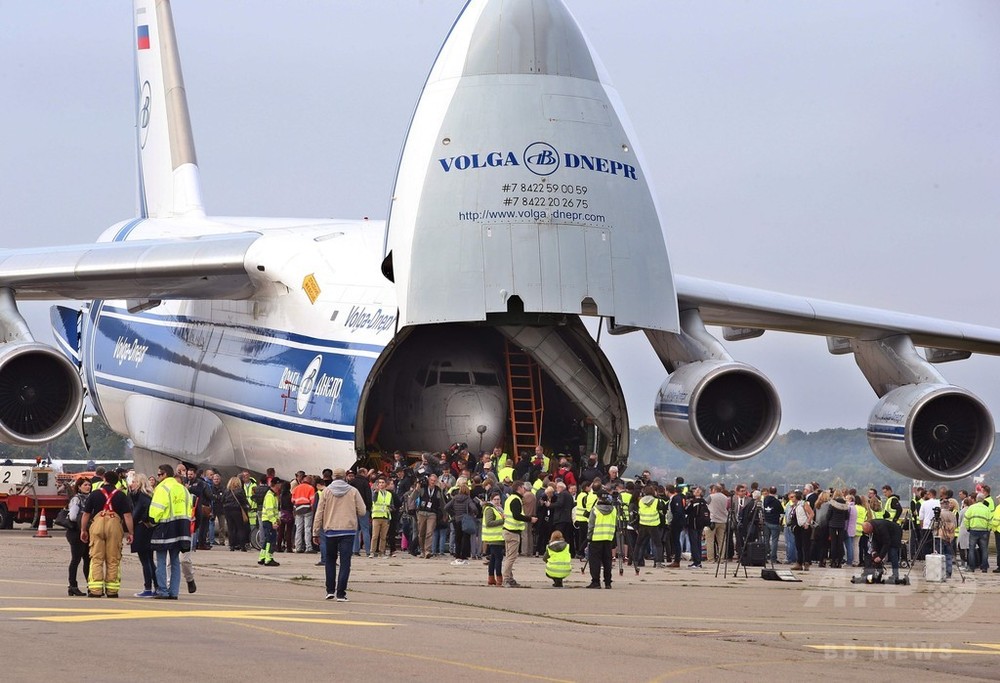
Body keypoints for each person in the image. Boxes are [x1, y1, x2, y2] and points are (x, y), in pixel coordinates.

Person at [312, 468, 366, 601]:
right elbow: (363, 511)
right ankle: (341, 593)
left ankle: (330, 590)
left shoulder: (326, 491)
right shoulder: (353, 491)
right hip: (348, 530)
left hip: (330, 531)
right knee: (345, 562)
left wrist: (315, 532)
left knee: (330, 560)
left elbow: (319, 513)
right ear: (345, 477)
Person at [79, 470, 134, 598]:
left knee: (96, 558)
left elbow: (86, 514)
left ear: (104, 479)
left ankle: (95, 590)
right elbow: (127, 516)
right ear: (117, 482)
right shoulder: (121, 495)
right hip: (114, 525)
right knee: (113, 559)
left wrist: (83, 530)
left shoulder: (95, 494)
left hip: (97, 525)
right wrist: (131, 532)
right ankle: (112, 590)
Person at [149, 464, 192, 599]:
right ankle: (174, 592)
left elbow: (157, 509)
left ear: (165, 474)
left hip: (165, 528)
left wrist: (152, 520)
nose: (158, 477)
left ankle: (162, 590)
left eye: (159, 474)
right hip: (181, 528)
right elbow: (189, 508)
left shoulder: (162, 488)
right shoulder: (183, 489)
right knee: (175, 561)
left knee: (161, 560)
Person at [501, 481, 536, 588]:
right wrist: (530, 519)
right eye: (523, 488)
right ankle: (506, 578)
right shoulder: (516, 500)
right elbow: (516, 515)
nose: (524, 490)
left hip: (509, 530)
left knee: (509, 556)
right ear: (519, 488)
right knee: (511, 557)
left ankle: (509, 578)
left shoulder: (510, 499)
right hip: (512, 531)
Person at [128, 473, 157, 597]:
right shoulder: (147, 496)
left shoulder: (141, 498)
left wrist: (128, 528)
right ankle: (157, 585)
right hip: (147, 530)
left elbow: (135, 515)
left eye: (134, 482)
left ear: (140, 483)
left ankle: (148, 587)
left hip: (141, 530)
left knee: (145, 560)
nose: (131, 484)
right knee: (149, 560)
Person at [65, 477, 92, 596]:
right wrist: (85, 519)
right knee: (76, 559)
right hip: (76, 532)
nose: (88, 487)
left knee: (88, 559)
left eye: (89, 485)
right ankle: (73, 585)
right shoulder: (77, 499)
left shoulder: (90, 498)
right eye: (85, 485)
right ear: (79, 487)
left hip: (86, 531)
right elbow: (72, 517)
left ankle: (91, 585)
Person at [586, 491, 617, 588]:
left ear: (598, 498)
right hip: (608, 538)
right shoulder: (614, 510)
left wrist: (589, 537)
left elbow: (591, 525)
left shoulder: (595, 509)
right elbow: (615, 523)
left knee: (595, 561)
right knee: (607, 561)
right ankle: (608, 582)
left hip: (596, 538)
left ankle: (595, 581)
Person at [863, 518, 903, 583]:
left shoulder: (881, 527)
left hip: (895, 533)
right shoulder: (871, 527)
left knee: (892, 552)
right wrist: (874, 551)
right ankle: (879, 572)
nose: (869, 533)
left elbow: (886, 543)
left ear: (871, 528)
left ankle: (895, 575)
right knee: (876, 554)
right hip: (885, 535)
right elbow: (874, 540)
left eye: (869, 532)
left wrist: (880, 557)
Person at [481, 491, 506, 586]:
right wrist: (503, 521)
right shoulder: (489, 509)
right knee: (498, 558)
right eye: (495, 499)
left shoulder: (498, 509)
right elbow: (489, 523)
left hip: (498, 537)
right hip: (494, 537)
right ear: (491, 500)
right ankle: (499, 577)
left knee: (493, 558)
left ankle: (491, 578)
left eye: (498, 499)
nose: (497, 501)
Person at [258, 479, 283, 567]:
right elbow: (269, 510)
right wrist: (274, 521)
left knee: (267, 539)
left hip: (268, 520)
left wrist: (277, 518)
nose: (280, 486)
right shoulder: (270, 496)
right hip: (269, 520)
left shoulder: (273, 495)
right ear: (276, 484)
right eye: (279, 484)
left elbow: (274, 510)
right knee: (271, 540)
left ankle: (262, 557)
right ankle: (269, 558)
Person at [222, 476, 249, 551]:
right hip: (237, 510)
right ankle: (242, 545)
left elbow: (222, 500)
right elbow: (244, 501)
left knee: (231, 528)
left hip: (227, 510)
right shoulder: (240, 491)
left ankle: (232, 546)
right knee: (240, 528)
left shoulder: (226, 491)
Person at [370, 477, 394, 558]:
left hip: (385, 516)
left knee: (383, 536)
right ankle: (372, 552)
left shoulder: (389, 494)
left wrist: (390, 508)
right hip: (376, 516)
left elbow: (392, 504)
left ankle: (381, 552)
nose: (381, 484)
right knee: (375, 536)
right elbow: (374, 500)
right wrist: (376, 492)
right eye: (379, 483)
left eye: (383, 482)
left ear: (385, 484)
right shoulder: (375, 493)